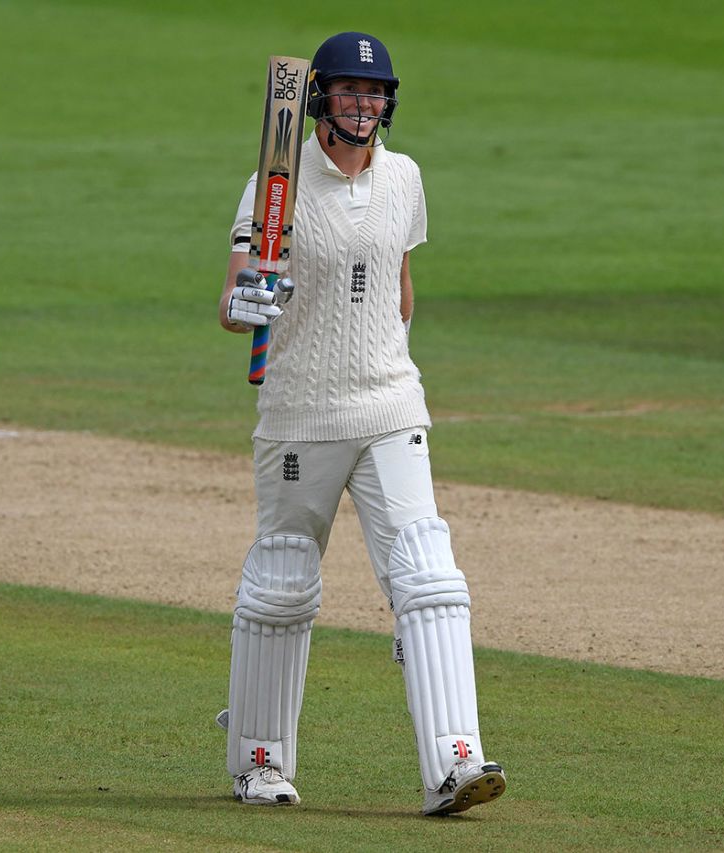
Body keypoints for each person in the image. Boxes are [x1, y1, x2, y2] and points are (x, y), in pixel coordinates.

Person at [217, 31, 506, 816]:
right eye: (350, 90)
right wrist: (252, 298)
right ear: (320, 98)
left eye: (375, 93)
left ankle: (454, 763)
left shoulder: (405, 177)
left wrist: (384, 359)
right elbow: (233, 299)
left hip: (390, 406)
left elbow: (400, 287)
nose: (363, 104)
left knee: (429, 574)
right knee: (283, 584)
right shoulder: (272, 187)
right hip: (300, 414)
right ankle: (259, 760)